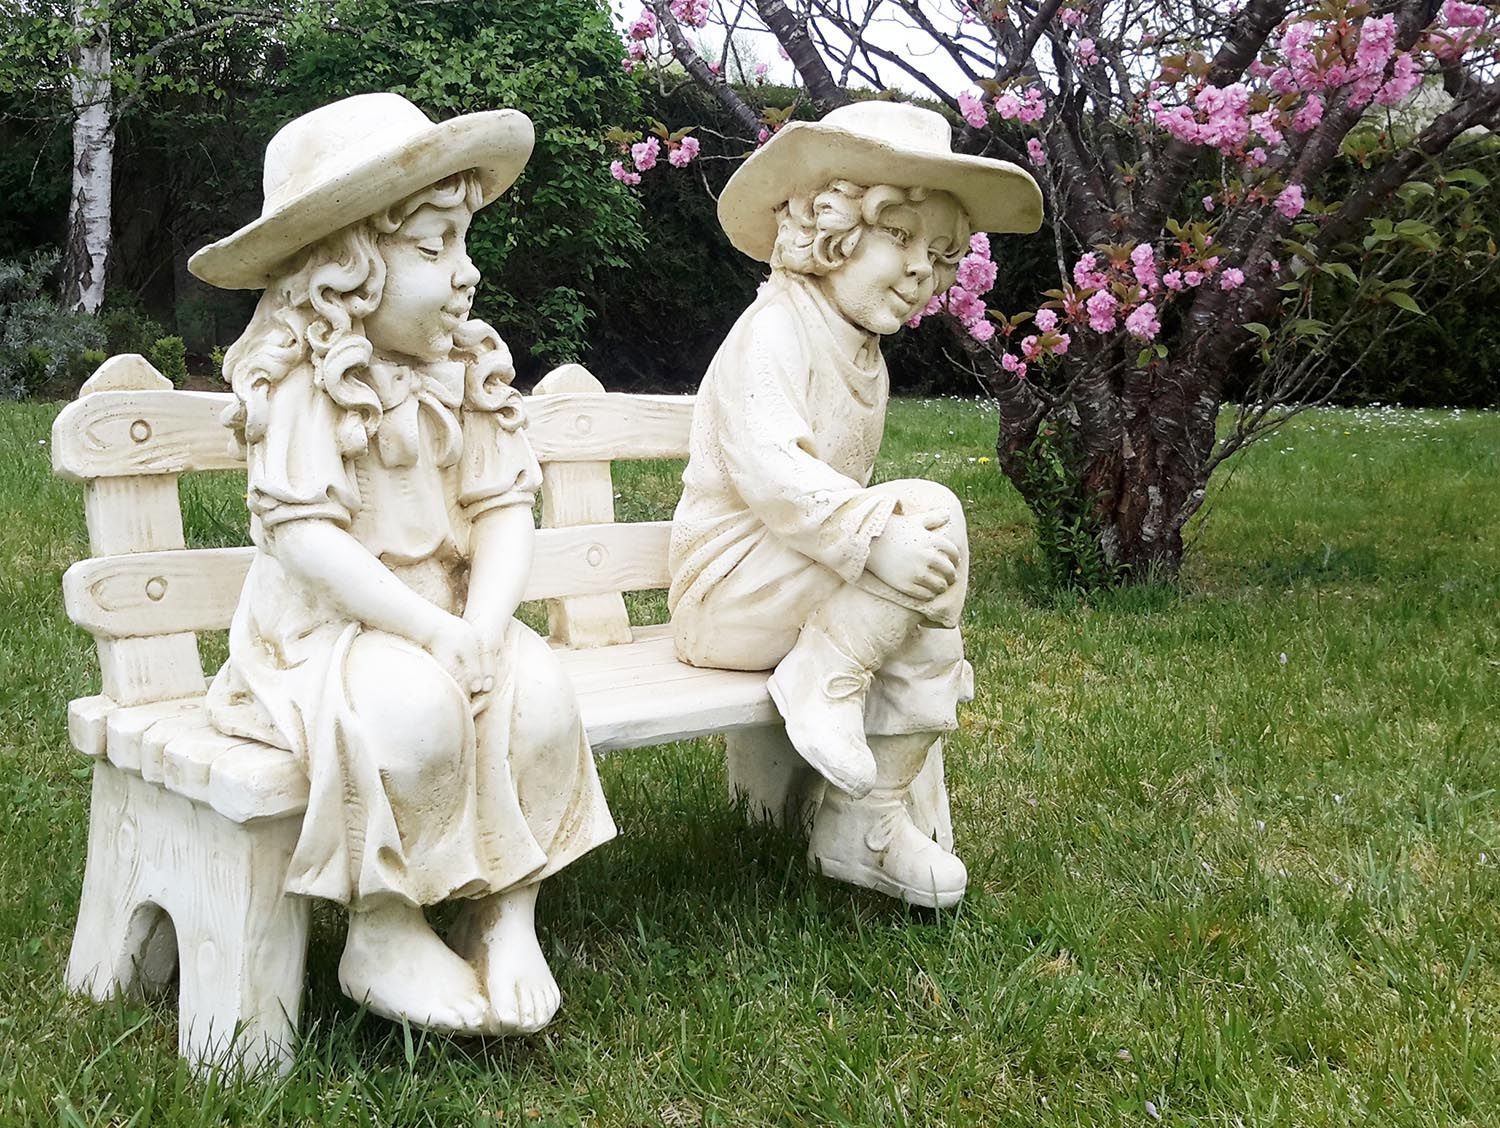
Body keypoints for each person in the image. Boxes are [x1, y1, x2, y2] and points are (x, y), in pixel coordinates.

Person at [188, 93, 615, 1035]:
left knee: (538, 692)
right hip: (329, 634)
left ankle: (507, 910)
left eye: (463, 244)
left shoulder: (468, 366)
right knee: (413, 712)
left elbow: (504, 508)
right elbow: (306, 541)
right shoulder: (305, 378)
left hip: (455, 614)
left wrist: (487, 627)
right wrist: (430, 632)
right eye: (432, 250)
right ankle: (382, 925)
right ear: (340, 271)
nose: (463, 277)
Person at [668, 102, 1041, 908]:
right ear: (829, 229)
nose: (921, 270)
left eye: (940, 254)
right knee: (928, 521)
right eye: (900, 237)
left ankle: (862, 818)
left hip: (806, 583)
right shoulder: (771, 331)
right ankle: (845, 743)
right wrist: (876, 537)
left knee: (926, 553)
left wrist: (880, 544)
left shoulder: (859, 352)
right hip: (726, 595)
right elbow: (774, 475)